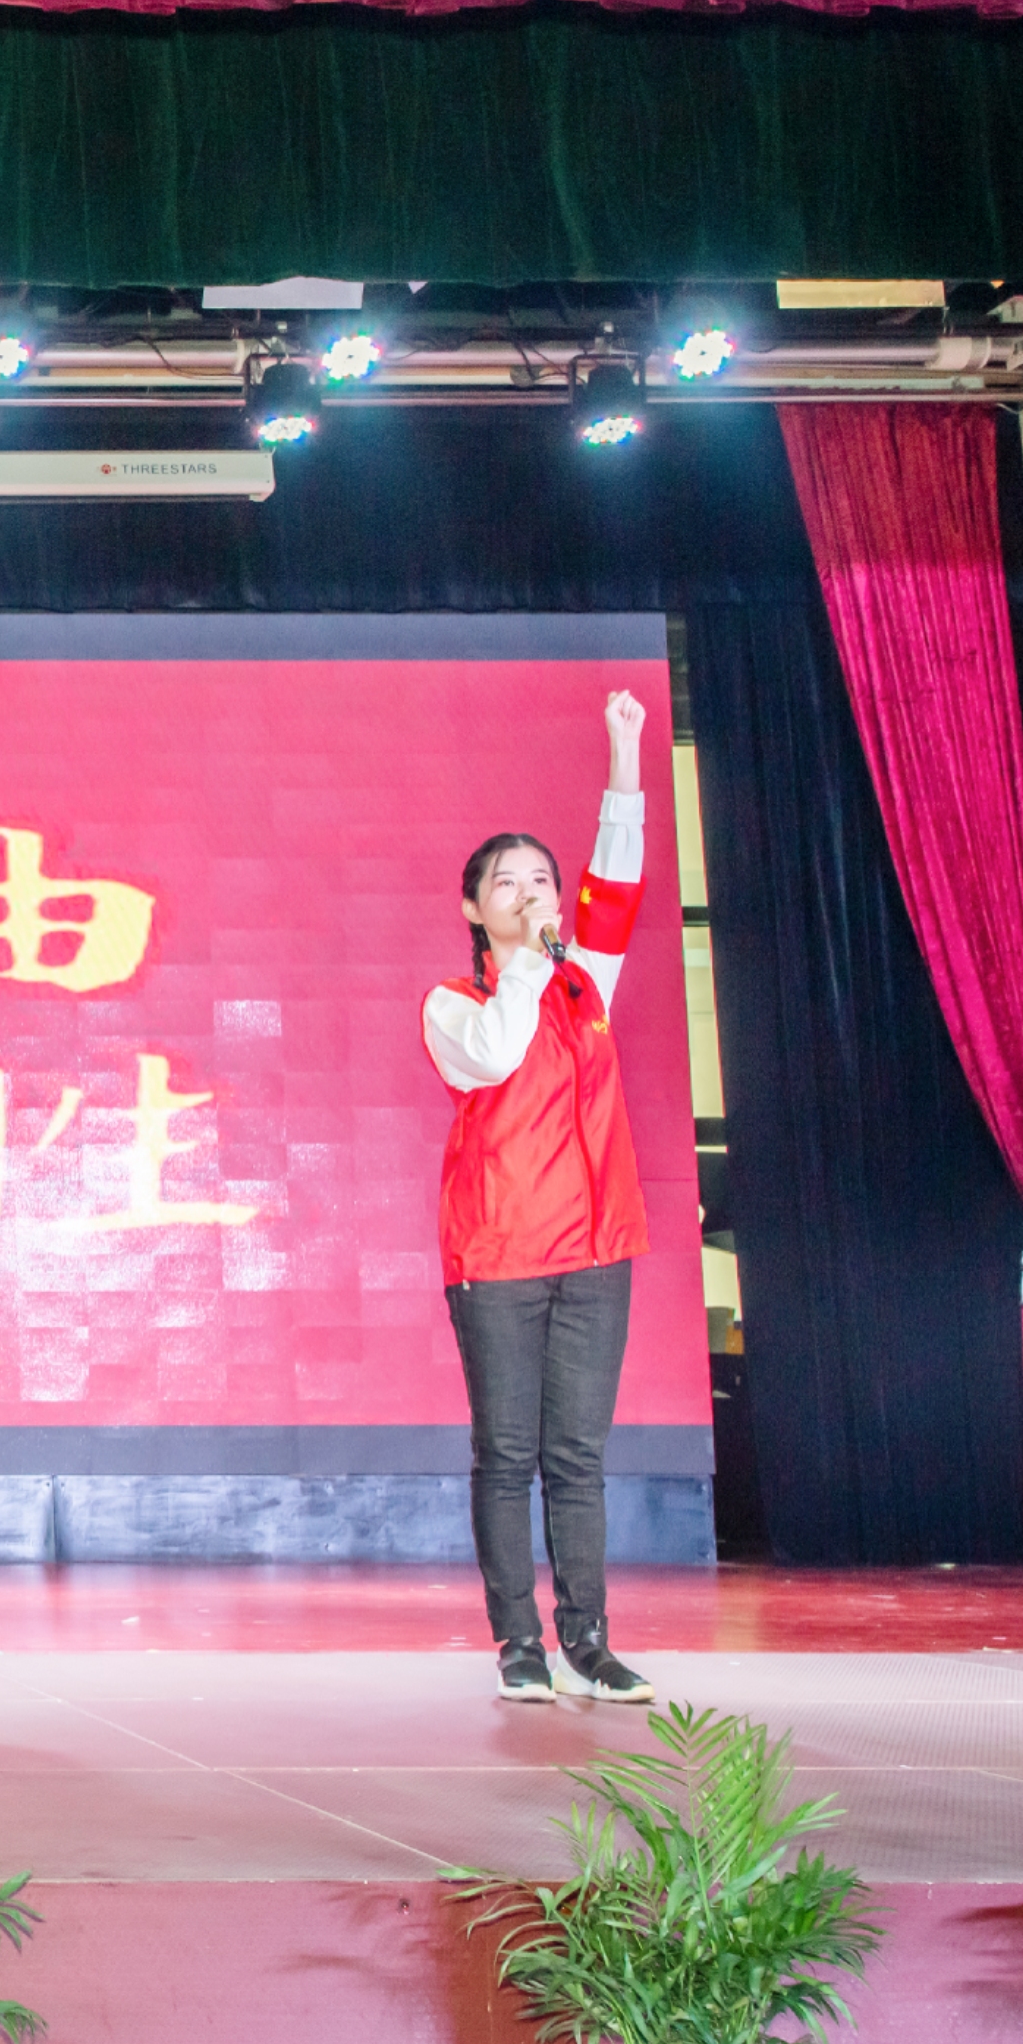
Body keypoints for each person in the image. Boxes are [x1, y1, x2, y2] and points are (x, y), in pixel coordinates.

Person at [424, 687, 658, 1706]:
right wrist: (523, 959)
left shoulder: (585, 980)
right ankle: (516, 1640)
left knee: (576, 1456)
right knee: (506, 1452)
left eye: (540, 881)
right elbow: (496, 1055)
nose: (528, 893)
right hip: (499, 1253)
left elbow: (619, 871)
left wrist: (622, 754)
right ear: (472, 908)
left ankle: (588, 1642)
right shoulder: (454, 1004)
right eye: (505, 883)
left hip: (596, 1249)